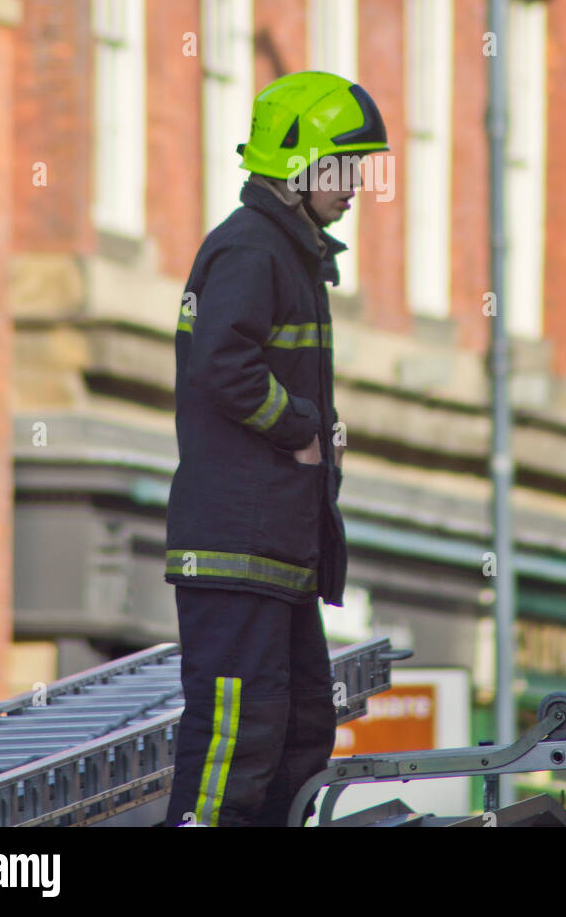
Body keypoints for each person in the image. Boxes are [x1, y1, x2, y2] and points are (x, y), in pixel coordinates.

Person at [163, 70, 389, 827]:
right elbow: (222, 366)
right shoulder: (251, 249)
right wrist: (299, 429)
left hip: (276, 549)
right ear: (298, 166)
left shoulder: (286, 252)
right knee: (236, 733)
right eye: (343, 166)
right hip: (238, 545)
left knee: (297, 733)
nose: (355, 184)